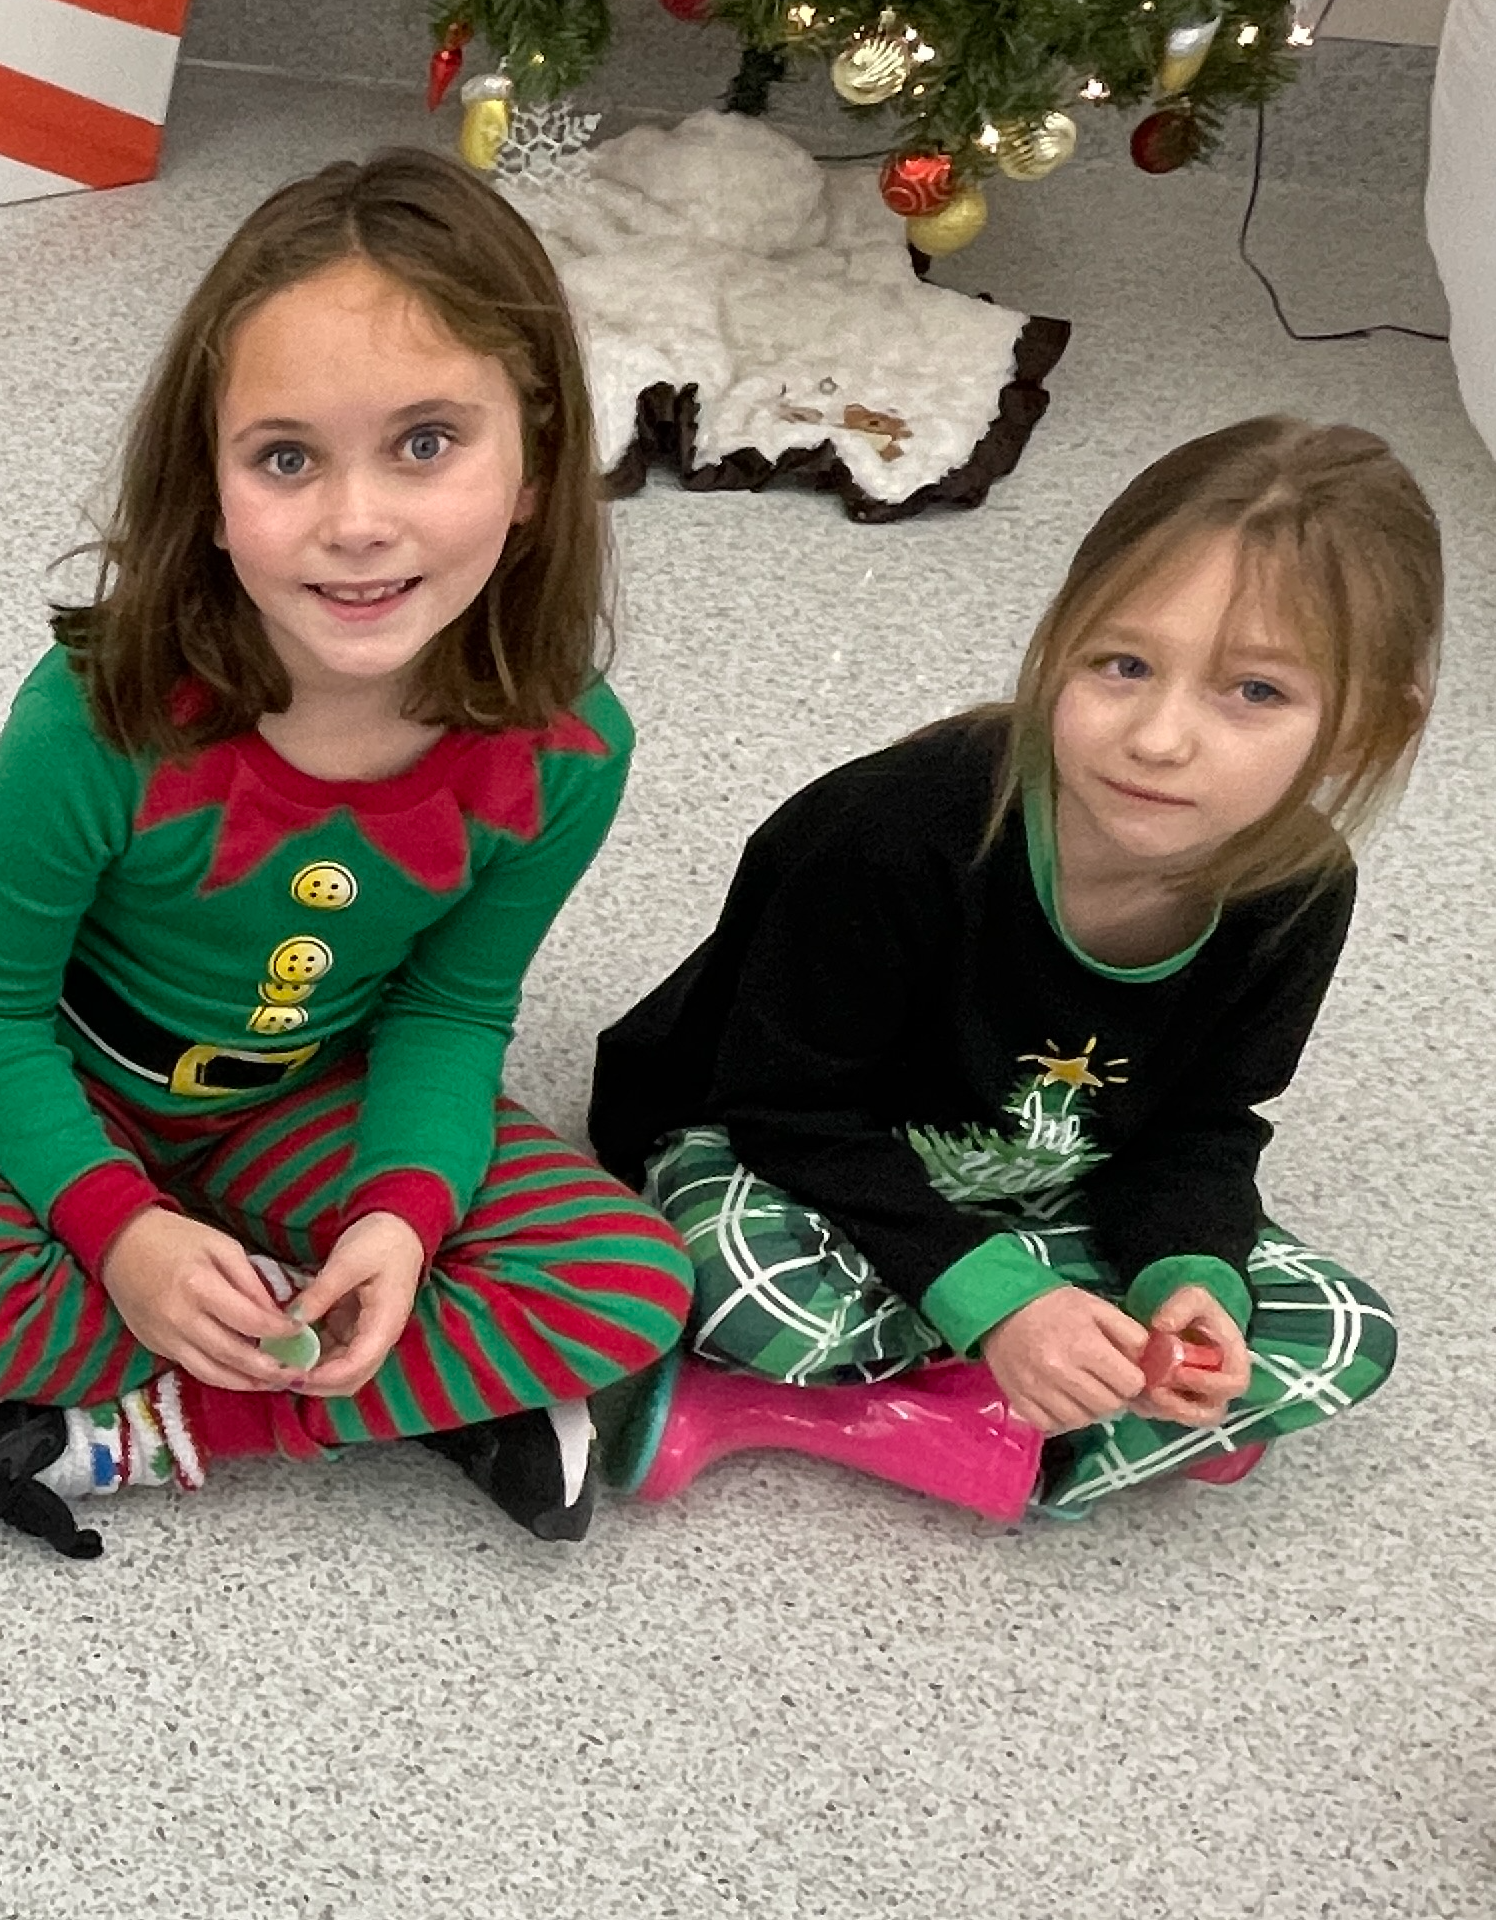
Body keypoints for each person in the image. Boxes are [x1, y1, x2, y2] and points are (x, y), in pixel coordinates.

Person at [0, 149, 696, 1560]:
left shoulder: (570, 750)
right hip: (77, 1074)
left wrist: (401, 1218)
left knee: (627, 1283)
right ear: (209, 491)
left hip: (316, 1093)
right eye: (286, 458)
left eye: (427, 442)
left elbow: (451, 1014)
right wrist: (118, 1229)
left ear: (533, 461)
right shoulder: (95, 718)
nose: (357, 522)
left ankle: (125, 1425)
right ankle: (406, 1385)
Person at [588, 417, 1432, 1522]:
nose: (1159, 737)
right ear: (1060, 639)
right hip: (790, 1155)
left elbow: (1199, 1126)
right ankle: (993, 1419)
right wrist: (999, 1300)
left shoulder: (1300, 892)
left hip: (1040, 1192)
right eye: (1124, 665)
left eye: (1256, 693)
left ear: (1363, 729)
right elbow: (781, 1110)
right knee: (744, 1289)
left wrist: (1190, 1279)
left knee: (1347, 1331)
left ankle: (944, 1408)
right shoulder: (890, 833)